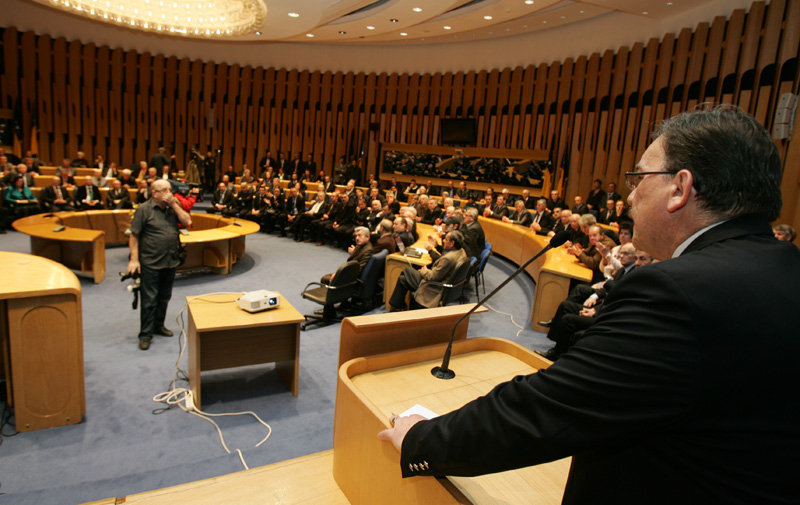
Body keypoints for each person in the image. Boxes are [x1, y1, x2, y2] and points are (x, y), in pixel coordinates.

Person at [379, 105, 800, 504]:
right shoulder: (785, 269)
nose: (632, 197)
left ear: (680, 188)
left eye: (639, 179)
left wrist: (421, 439)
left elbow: (544, 410)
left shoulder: (677, 292)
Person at [127, 179, 192, 351]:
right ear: (154, 193)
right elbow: (134, 236)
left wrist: (176, 206)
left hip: (170, 260)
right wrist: (134, 260)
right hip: (151, 261)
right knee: (149, 300)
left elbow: (187, 222)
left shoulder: (173, 207)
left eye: (170, 190)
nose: (169, 193)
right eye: (164, 190)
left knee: (164, 297)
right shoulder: (144, 210)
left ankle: (158, 325)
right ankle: (145, 334)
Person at [388, 230, 467, 311]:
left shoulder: (448, 259)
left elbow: (432, 277)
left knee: (407, 270)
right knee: (403, 280)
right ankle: (396, 306)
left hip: (434, 287)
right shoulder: (461, 251)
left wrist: (424, 271)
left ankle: (394, 307)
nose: (443, 240)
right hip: (444, 284)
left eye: (446, 239)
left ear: (452, 243)